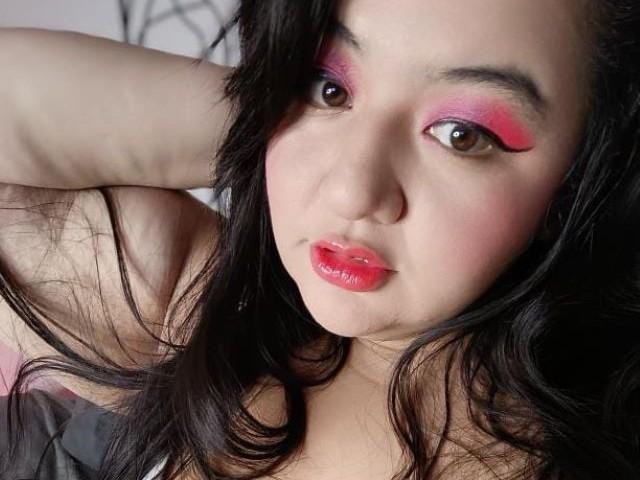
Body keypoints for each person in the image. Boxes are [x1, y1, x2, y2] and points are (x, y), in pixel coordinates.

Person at [1, 0, 639, 478]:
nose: (351, 191)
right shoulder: (210, 325)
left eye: (461, 134)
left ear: (587, 174)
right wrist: (264, 117)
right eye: (328, 84)